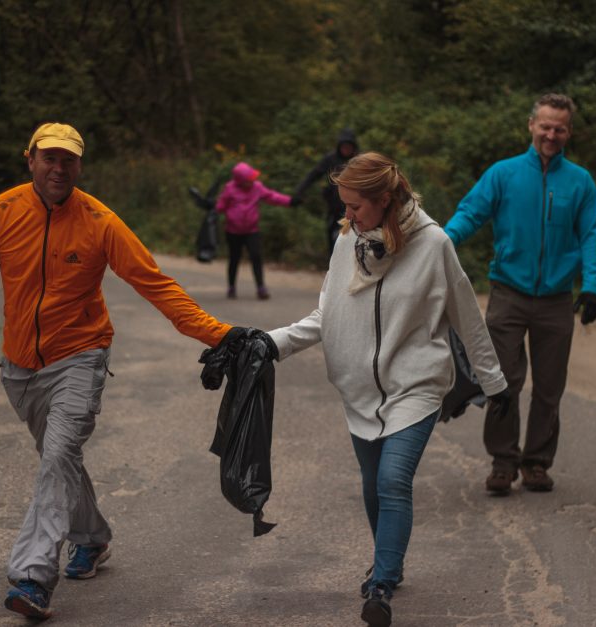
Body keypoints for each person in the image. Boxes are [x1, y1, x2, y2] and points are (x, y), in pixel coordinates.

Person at [0, 122, 235, 620]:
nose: (59, 169)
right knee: (60, 461)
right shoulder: (1, 212)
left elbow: (155, 283)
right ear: (30, 159)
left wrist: (220, 335)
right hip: (19, 368)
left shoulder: (100, 221)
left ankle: (33, 576)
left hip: (80, 355)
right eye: (49, 158)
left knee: (57, 456)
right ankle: (93, 537)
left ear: (80, 165)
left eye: (69, 160)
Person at [264, 152, 510, 627]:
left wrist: (493, 383)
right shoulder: (346, 242)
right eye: (345, 207)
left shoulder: (434, 244)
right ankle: (388, 565)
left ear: (383, 199)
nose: (347, 216)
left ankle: (381, 583)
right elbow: (326, 315)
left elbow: (467, 316)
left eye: (355, 206)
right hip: (359, 391)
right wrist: (271, 344)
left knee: (394, 481)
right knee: (373, 485)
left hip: (415, 385)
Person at [443, 93, 596, 496]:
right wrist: (439, 245)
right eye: (545, 126)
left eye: (560, 128)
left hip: (555, 300)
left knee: (550, 387)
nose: (551, 134)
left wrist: (593, 286)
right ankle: (503, 462)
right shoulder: (504, 174)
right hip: (509, 294)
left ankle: (536, 463)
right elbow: (470, 213)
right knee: (503, 381)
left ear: (569, 132)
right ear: (531, 125)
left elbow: (590, 235)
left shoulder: (580, 181)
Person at [215, 161, 298, 300]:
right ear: (240, 181)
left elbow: (272, 196)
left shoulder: (257, 187)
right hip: (233, 231)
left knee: (256, 256)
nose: (252, 181)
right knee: (234, 259)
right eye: (249, 180)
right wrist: (216, 207)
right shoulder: (229, 189)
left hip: (252, 230)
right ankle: (231, 287)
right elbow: (220, 207)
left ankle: (261, 288)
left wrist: (290, 201)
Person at [293, 128, 359, 257]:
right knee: (333, 239)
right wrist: (299, 191)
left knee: (352, 239)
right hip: (334, 207)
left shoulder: (359, 160)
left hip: (355, 208)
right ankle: (333, 268)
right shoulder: (331, 159)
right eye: (344, 146)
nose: (346, 149)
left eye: (349, 147)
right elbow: (314, 174)